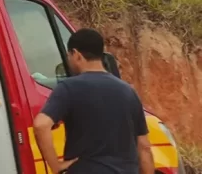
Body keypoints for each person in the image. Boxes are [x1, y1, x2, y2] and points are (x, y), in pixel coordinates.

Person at [33, 28, 153, 174]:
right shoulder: (128, 91)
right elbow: (144, 147)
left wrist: (56, 166)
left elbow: (41, 125)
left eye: (68, 55)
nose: (69, 61)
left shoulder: (68, 88)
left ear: (76, 55)